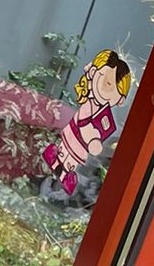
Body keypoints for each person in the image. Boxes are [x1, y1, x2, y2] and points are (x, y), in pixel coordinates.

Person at [44, 50, 131, 194]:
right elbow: (84, 123)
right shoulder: (89, 106)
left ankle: (64, 177)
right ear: (93, 73)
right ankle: (56, 165)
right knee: (65, 154)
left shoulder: (106, 116)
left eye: (110, 85)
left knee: (71, 162)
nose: (105, 88)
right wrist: (92, 139)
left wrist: (95, 140)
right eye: (106, 82)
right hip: (75, 136)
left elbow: (105, 134)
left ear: (120, 100)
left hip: (81, 145)